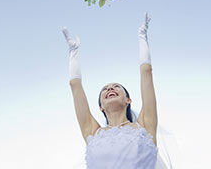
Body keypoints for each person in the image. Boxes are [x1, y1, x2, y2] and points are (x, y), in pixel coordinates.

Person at [62, 12, 169, 169]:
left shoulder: (145, 124)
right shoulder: (92, 132)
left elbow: (147, 71)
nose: (110, 88)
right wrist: (73, 53)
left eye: (116, 86)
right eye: (105, 89)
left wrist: (142, 37)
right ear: (101, 107)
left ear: (128, 100)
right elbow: (75, 87)